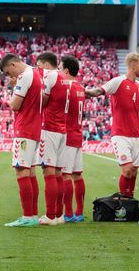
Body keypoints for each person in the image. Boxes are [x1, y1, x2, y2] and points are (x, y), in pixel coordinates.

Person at [86, 53, 139, 200]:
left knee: (134, 172)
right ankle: (124, 203)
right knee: (127, 170)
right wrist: (84, 91)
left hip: (136, 135)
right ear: (133, 65)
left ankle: (129, 200)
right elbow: (99, 91)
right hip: (120, 134)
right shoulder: (118, 82)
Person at [1, 54, 43, 227]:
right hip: (34, 128)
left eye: (7, 71)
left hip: (24, 128)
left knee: (21, 172)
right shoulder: (36, 73)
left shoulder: (24, 76)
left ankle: (27, 216)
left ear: (13, 64)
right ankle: (32, 215)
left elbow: (14, 105)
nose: (9, 76)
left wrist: (13, 88)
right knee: (30, 172)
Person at [36, 52, 70, 226]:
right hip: (62, 129)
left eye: (39, 66)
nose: (38, 70)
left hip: (49, 128)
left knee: (48, 172)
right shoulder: (64, 78)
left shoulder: (49, 76)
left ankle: (50, 216)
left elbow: (43, 100)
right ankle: (58, 215)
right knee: (58, 173)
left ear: (46, 65)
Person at [59, 55, 86, 223]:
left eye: (61, 69)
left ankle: (68, 213)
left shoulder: (66, 88)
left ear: (66, 70)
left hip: (67, 135)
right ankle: (79, 212)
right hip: (77, 134)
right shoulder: (81, 88)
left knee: (66, 175)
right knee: (77, 175)